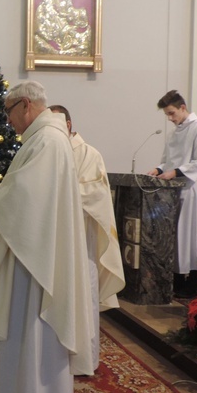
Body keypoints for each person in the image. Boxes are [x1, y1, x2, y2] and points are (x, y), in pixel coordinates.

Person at [0, 81, 95, 393]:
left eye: (8, 113)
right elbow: (23, 192)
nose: (8, 123)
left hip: (34, 262)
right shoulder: (44, 138)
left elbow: (27, 202)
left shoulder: (48, 140)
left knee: (31, 334)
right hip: (33, 250)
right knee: (27, 337)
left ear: (24, 106)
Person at [50, 104, 125, 370]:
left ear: (68, 124)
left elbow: (96, 196)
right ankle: (57, 359)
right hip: (55, 237)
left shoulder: (89, 154)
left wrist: (56, 194)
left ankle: (83, 360)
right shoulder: (51, 150)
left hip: (81, 239)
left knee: (83, 296)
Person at [148, 90, 197, 298]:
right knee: (174, 238)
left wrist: (175, 172)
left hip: (187, 189)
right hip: (170, 192)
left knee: (191, 238)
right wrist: (158, 170)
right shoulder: (174, 132)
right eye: (167, 114)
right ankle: (176, 280)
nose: (170, 118)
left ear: (183, 108)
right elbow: (167, 160)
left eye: (172, 113)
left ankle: (192, 282)